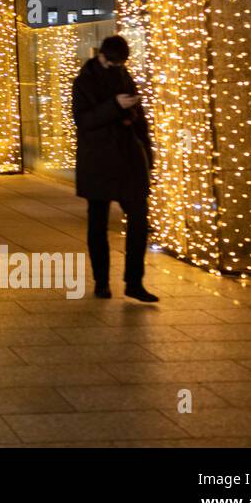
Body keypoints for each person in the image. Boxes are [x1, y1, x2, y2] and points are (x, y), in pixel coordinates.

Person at [72, 35, 158, 302]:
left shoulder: (123, 73)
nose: (117, 66)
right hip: (97, 161)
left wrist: (147, 153)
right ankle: (102, 282)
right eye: (113, 62)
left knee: (139, 220)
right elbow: (83, 120)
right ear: (102, 57)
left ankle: (134, 282)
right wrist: (115, 106)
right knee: (97, 224)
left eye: (121, 63)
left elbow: (139, 117)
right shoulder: (84, 80)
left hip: (128, 159)